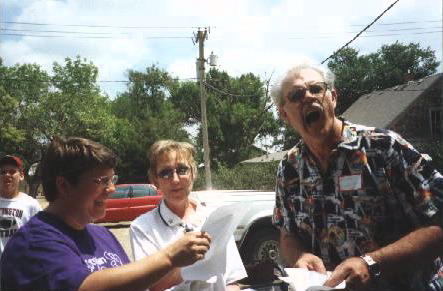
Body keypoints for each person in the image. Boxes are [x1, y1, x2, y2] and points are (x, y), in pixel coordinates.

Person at [271, 62, 443, 291]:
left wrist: (372, 263)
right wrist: (300, 256)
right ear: (284, 114)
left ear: (332, 97)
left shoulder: (383, 148)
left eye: (316, 89)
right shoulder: (289, 169)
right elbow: (287, 234)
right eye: (296, 94)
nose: (308, 97)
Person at [1, 137, 211, 291]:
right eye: (101, 181)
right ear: (64, 185)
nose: (111, 189)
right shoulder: (35, 243)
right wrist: (170, 256)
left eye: (112, 179)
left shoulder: (102, 236)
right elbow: (84, 287)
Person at [130, 140, 247, 291]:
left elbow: (232, 280)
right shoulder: (142, 227)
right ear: (155, 180)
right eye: (165, 173)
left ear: (193, 173)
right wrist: (186, 263)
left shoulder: (216, 217)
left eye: (182, 169)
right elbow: (150, 285)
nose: (175, 179)